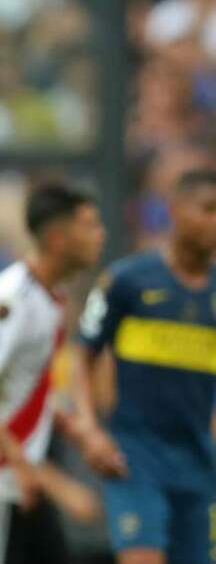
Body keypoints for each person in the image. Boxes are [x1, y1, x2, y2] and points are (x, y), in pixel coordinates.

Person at [77, 169, 216, 564]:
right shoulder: (127, 281)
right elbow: (84, 355)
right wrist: (89, 428)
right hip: (134, 457)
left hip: (198, 464)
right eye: (208, 209)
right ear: (175, 210)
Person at [0, 181, 105, 563]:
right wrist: (39, 475)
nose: (101, 235)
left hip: (20, 482)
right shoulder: (13, 300)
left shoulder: (52, 298)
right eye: (90, 225)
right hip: (9, 480)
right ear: (59, 238)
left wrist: (77, 430)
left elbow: (23, 390)